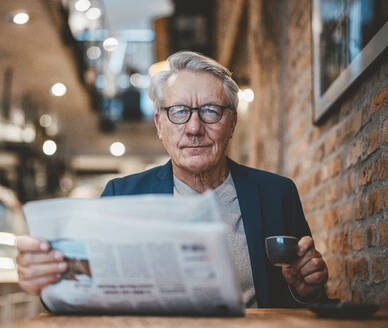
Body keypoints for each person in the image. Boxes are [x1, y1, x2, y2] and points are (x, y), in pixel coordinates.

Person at [16, 51, 328, 308]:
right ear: (159, 125)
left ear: (231, 122)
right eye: (178, 111)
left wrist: (306, 290)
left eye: (210, 111)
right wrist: (48, 282)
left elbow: (305, 301)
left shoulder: (276, 194)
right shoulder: (120, 197)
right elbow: (86, 296)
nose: (194, 128)